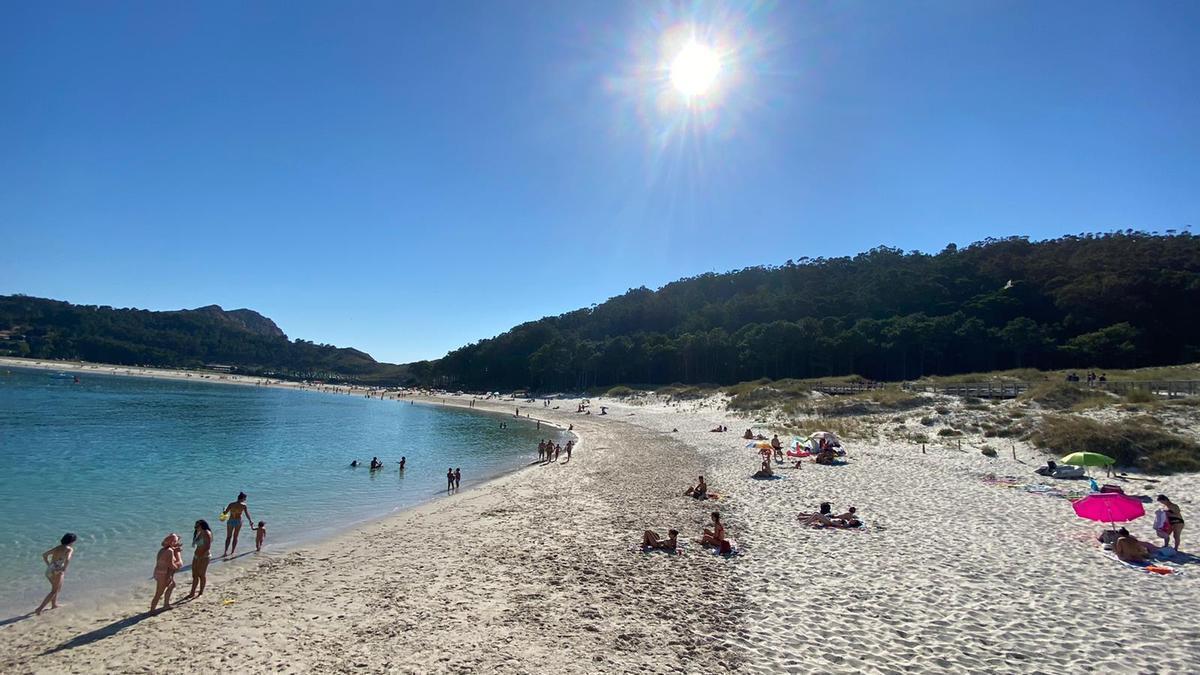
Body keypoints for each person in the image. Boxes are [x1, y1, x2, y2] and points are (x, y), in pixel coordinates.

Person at [35, 533, 76, 615]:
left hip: (49, 570)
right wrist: (64, 568)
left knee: (56, 588)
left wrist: (49, 564)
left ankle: (54, 605)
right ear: (72, 541)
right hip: (58, 571)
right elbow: (68, 559)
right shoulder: (69, 549)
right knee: (54, 591)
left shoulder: (58, 547)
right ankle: (39, 609)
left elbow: (44, 555)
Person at [151, 533, 183, 611]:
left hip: (158, 572)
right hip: (163, 574)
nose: (177, 543)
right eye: (176, 542)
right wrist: (178, 566)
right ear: (172, 542)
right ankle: (152, 610)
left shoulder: (162, 550)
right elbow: (171, 565)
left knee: (172, 585)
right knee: (159, 593)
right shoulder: (170, 551)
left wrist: (175, 550)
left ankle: (166, 604)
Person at [185, 520, 212, 599]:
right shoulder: (199, 533)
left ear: (202, 526)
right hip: (196, 556)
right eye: (195, 526)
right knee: (195, 575)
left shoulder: (207, 533)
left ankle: (201, 592)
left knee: (201, 574)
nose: (195, 528)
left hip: (204, 557)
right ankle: (192, 592)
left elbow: (207, 547)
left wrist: (200, 556)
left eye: (197, 526)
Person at [222, 492, 253, 557]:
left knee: (228, 537)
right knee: (235, 537)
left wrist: (224, 509)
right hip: (238, 521)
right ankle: (232, 552)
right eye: (245, 498)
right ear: (242, 498)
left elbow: (225, 513)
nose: (245, 500)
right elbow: (247, 514)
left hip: (231, 521)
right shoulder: (244, 505)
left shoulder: (231, 504)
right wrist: (250, 520)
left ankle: (225, 552)